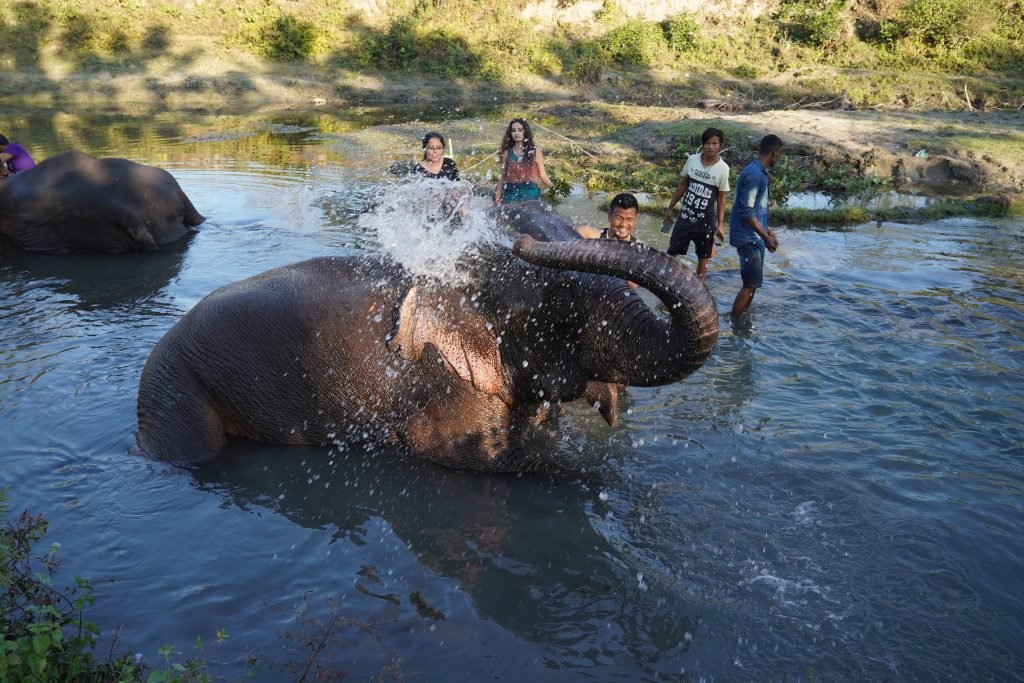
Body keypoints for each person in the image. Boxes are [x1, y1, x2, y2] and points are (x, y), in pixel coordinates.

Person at [662, 127, 730, 281]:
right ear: (702, 144)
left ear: (720, 145)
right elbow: (683, 185)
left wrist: (720, 224)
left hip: (705, 222)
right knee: (672, 253)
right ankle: (665, 281)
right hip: (685, 217)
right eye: (707, 143)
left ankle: (700, 287)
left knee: (703, 257)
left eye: (714, 143)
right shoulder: (692, 160)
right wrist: (670, 207)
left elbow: (721, 198)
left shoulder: (723, 169)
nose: (711, 147)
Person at [729, 134, 783, 317]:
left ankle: (742, 319)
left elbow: (755, 210)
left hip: (753, 236)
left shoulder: (756, 171)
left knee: (752, 285)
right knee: (750, 285)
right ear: (774, 152)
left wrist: (768, 231)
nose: (779, 159)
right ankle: (735, 323)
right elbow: (746, 211)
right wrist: (765, 236)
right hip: (748, 239)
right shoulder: (753, 175)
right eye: (780, 154)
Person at [578, 192, 641, 288]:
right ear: (609, 216)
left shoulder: (639, 249)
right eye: (619, 218)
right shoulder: (589, 235)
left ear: (636, 219)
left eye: (629, 219)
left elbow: (632, 286)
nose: (623, 224)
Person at [494, 118, 553, 204]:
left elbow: (543, 175)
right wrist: (497, 198)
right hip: (511, 194)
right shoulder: (507, 153)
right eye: (513, 131)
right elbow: (502, 177)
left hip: (531, 194)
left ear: (525, 132)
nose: (516, 133)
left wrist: (554, 189)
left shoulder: (536, 152)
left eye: (520, 130)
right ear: (510, 133)